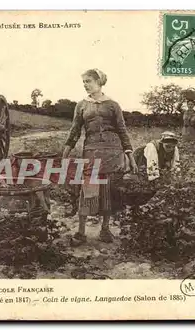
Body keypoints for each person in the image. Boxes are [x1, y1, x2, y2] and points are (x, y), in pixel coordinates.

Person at [62, 68, 138, 245]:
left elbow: (122, 131)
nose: (85, 85)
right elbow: (75, 130)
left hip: (113, 152)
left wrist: (130, 156)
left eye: (88, 81)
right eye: (84, 82)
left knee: (108, 191)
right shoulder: (81, 105)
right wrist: (65, 152)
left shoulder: (113, 105)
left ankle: (105, 229)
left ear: (98, 82)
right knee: (88, 190)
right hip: (91, 152)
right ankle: (81, 232)